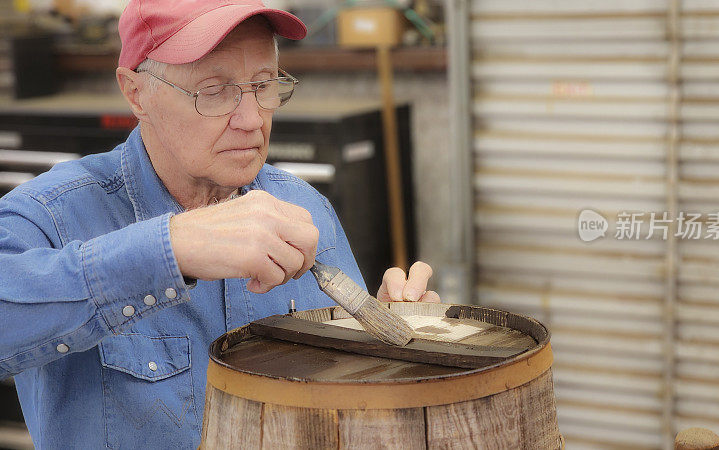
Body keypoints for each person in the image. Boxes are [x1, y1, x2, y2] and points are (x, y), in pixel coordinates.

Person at [0, 0, 439, 448]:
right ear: (135, 92)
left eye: (264, 85)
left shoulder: (303, 208)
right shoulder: (56, 215)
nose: (252, 121)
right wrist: (170, 249)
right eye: (213, 91)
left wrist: (388, 347)